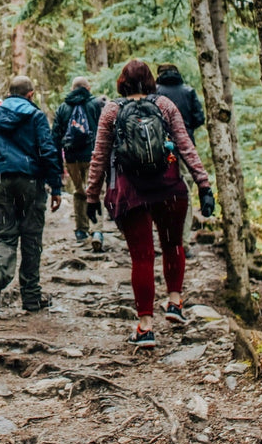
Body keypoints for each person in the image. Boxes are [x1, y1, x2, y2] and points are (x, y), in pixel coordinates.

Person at [86, 60, 215, 348]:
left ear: (122, 82)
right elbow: (185, 146)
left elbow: (99, 156)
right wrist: (204, 185)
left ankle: (145, 326)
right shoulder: (165, 105)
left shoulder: (112, 110)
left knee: (142, 257)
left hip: (129, 193)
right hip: (169, 188)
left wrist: (91, 195)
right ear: (150, 80)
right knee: (173, 245)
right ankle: (174, 303)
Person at [0, 75, 62, 314]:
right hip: (29, 181)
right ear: (31, 94)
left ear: (8, 92)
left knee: (4, 236)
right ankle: (31, 298)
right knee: (31, 239)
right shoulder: (35, 116)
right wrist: (55, 186)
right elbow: (47, 150)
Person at [155, 64, 208, 255]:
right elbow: (199, 118)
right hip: (185, 148)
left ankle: (163, 239)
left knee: (159, 193)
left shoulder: (155, 93)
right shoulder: (188, 91)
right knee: (184, 193)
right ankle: (183, 241)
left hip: (158, 151)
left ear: (159, 75)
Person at [52, 77, 106, 251]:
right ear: (88, 88)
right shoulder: (96, 105)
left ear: (72, 88)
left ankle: (81, 230)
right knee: (95, 191)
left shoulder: (63, 108)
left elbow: (55, 138)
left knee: (79, 191)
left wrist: (59, 166)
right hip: (92, 155)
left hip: (72, 157)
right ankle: (97, 230)